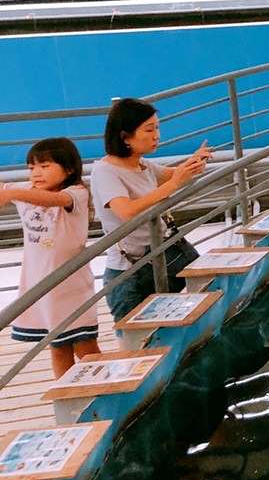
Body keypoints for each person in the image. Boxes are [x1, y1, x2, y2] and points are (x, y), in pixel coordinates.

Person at [91, 98, 211, 323]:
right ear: (125, 136)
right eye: (149, 129)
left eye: (157, 127)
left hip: (158, 257)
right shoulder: (105, 172)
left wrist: (194, 162)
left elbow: (170, 174)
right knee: (136, 340)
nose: (157, 135)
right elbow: (126, 211)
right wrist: (175, 183)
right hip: (130, 273)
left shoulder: (141, 164)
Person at [0, 138, 100, 378]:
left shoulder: (76, 193)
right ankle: (67, 399)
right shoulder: (25, 191)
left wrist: (12, 192)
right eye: (32, 167)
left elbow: (56, 200)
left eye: (45, 167)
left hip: (72, 287)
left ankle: (106, 392)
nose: (36, 173)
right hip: (41, 286)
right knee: (57, 347)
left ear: (68, 169)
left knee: (86, 347)